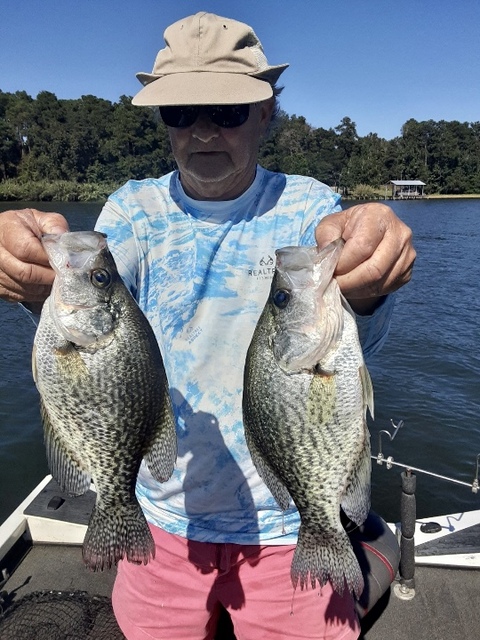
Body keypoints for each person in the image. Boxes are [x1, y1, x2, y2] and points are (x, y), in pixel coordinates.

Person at [0, 12, 415, 640]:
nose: (201, 131)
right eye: (180, 112)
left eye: (225, 111)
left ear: (266, 110)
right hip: (162, 518)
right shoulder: (132, 210)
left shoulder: (307, 207)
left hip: (286, 522)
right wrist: (33, 279)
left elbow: (350, 336)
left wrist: (371, 285)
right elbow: (94, 314)